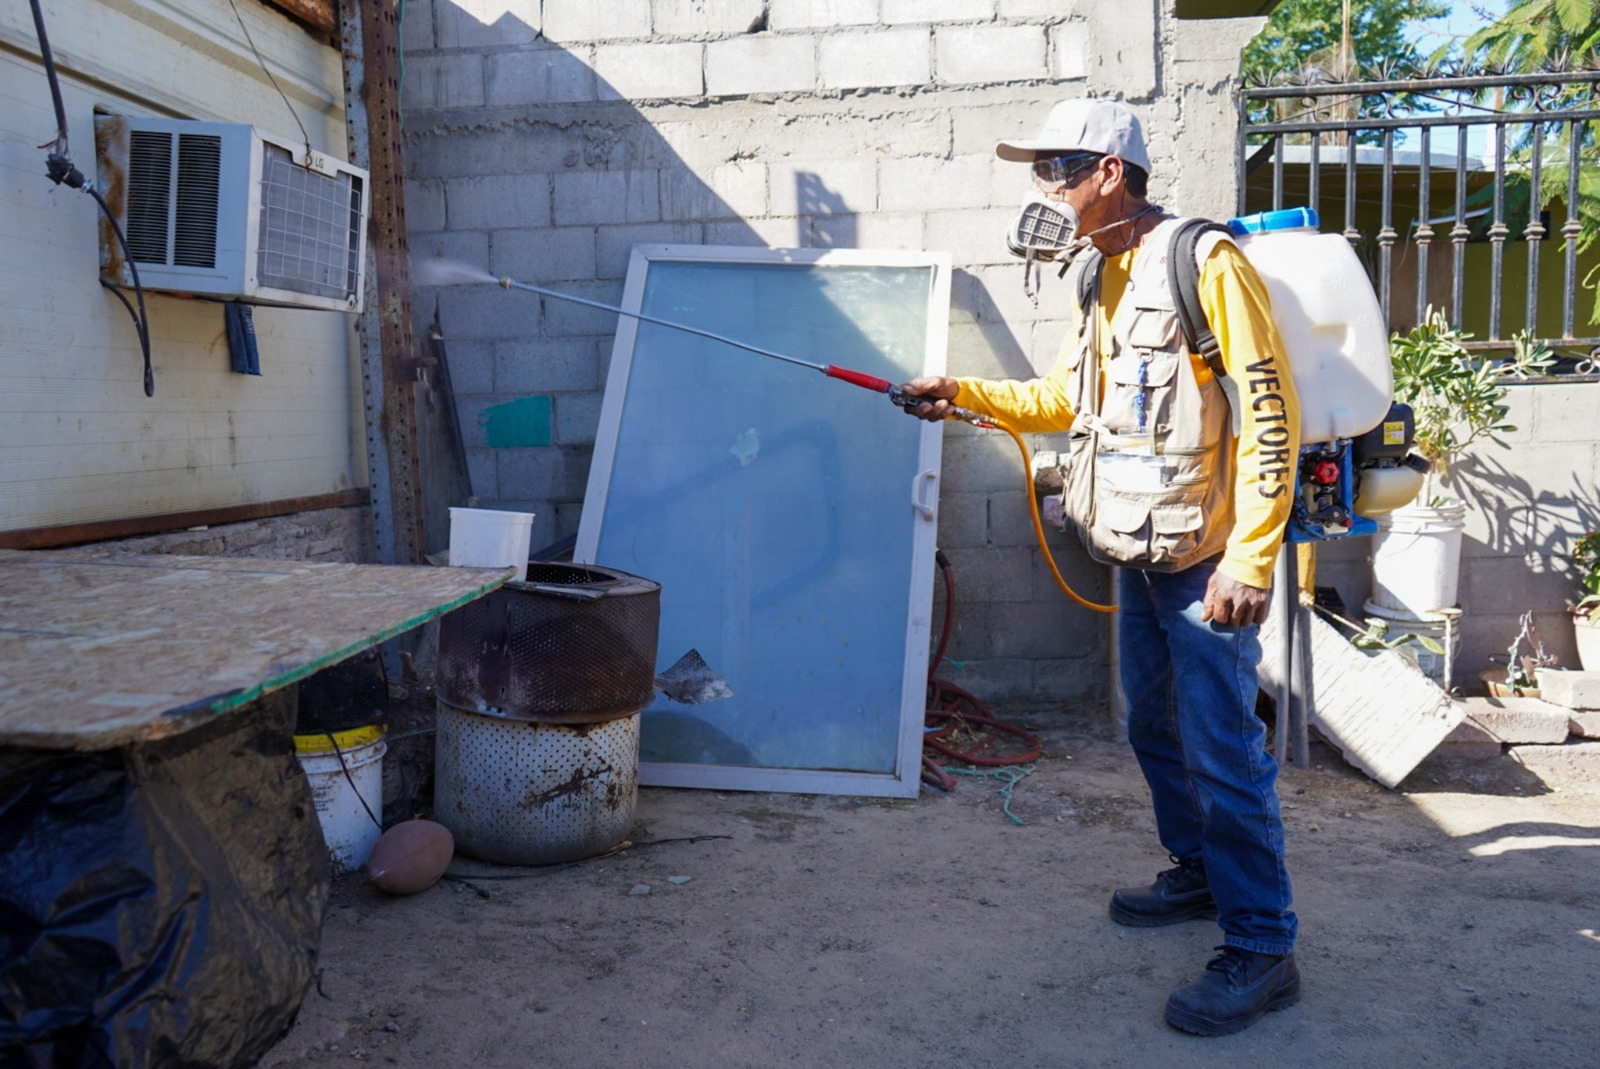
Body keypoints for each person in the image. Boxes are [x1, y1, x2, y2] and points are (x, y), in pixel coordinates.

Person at [899, 97, 1303, 1036]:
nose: (1044, 188)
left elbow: (1270, 412)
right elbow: (1062, 399)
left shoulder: (1205, 264)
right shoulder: (1101, 278)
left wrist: (1252, 557)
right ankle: (1201, 873)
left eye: (1056, 170)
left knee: (1224, 749)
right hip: (1135, 549)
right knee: (1154, 731)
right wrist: (962, 394)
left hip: (1207, 564)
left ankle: (1262, 943)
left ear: (1108, 173)